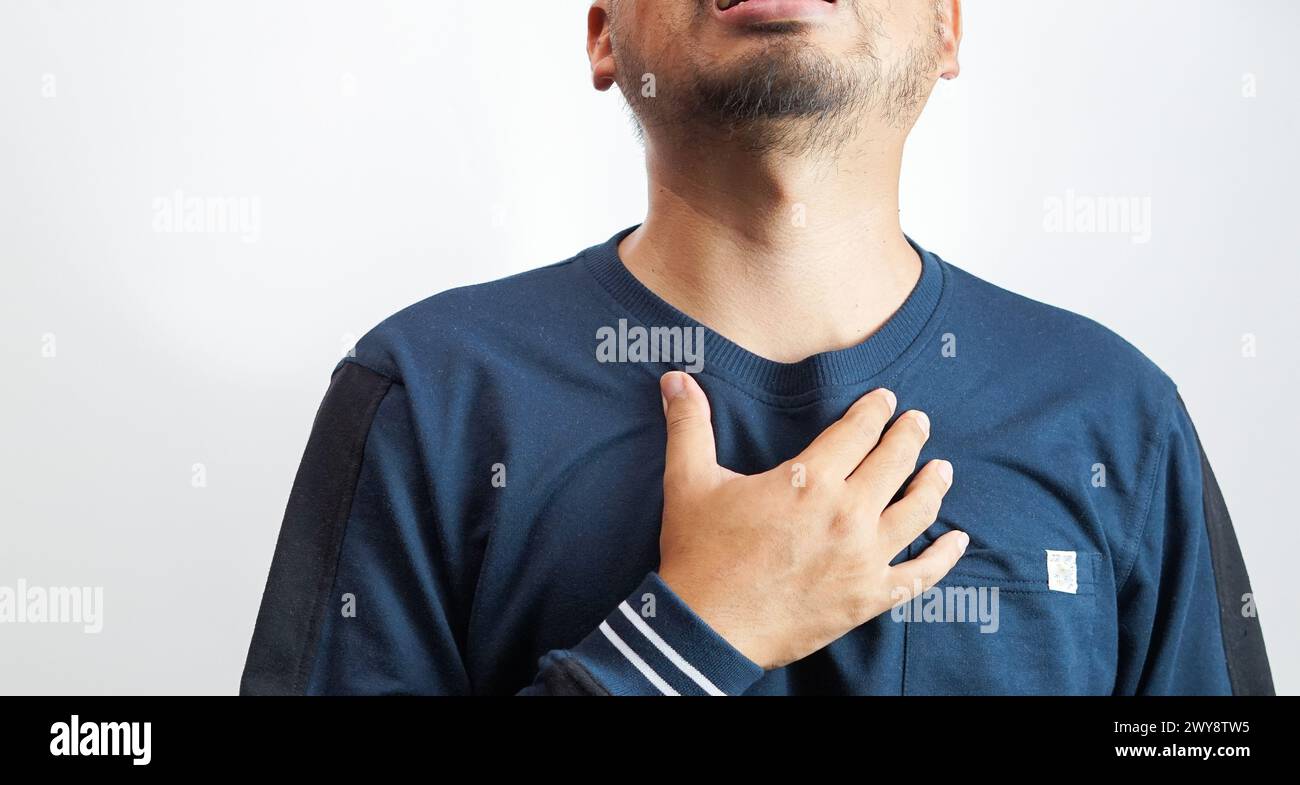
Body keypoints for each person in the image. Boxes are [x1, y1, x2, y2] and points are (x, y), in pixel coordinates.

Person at [240, 0, 1273, 695]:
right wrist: (690, 633)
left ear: (948, 28)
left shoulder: (1117, 414)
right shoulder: (425, 397)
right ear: (604, 38)